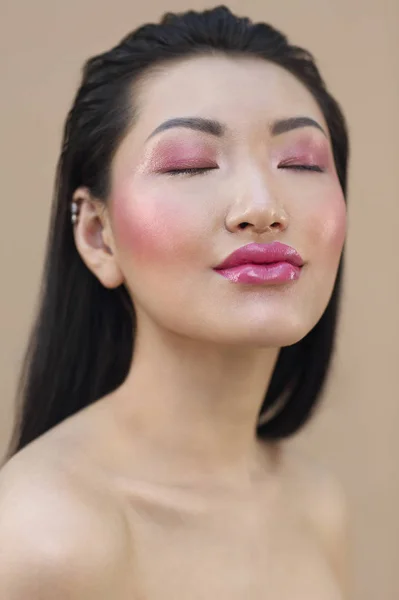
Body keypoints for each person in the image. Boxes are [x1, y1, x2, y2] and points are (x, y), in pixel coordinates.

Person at [0, 5, 350, 599]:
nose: (264, 205)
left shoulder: (317, 503)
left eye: (300, 161)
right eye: (191, 164)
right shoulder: (48, 536)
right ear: (96, 234)